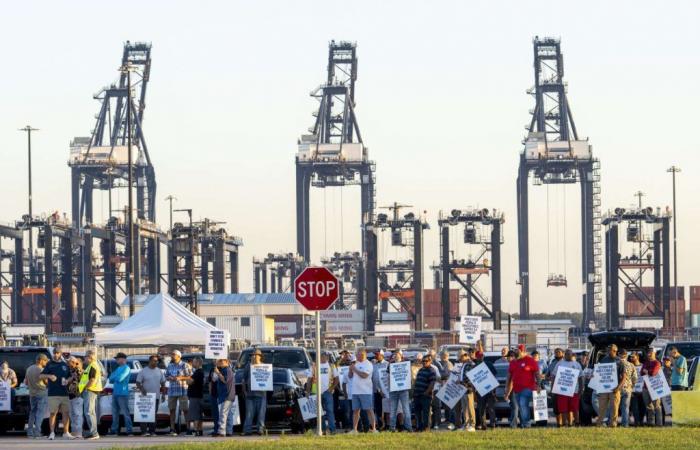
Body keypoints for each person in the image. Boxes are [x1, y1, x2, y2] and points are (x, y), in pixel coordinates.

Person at [504, 344, 540, 428]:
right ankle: (524, 423)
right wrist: (507, 389)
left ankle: (527, 424)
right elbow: (509, 377)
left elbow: (537, 374)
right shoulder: (513, 362)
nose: (516, 352)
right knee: (520, 406)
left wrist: (538, 385)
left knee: (523, 404)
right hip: (516, 389)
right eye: (515, 350)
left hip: (528, 388)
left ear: (523, 351)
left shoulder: (530, 361)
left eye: (517, 350)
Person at [44, 347, 71, 440]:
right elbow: (41, 375)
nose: (55, 354)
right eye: (54, 353)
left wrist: (67, 380)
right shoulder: (49, 364)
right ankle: (52, 433)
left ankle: (66, 432)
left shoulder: (65, 365)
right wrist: (49, 375)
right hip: (53, 393)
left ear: (60, 354)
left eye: (57, 353)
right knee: (53, 413)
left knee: (66, 413)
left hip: (64, 393)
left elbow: (70, 377)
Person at [596, 344, 626, 427]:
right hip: (603, 389)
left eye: (610, 350)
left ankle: (613, 424)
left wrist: (618, 388)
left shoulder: (620, 361)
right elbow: (599, 374)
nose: (608, 351)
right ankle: (599, 424)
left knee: (614, 408)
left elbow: (624, 377)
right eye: (608, 350)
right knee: (601, 407)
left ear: (615, 351)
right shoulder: (603, 360)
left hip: (615, 389)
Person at [308, 352, 338, 435]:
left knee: (330, 411)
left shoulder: (331, 366)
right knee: (319, 412)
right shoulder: (314, 366)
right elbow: (309, 379)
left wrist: (331, 388)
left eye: (325, 357)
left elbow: (336, 379)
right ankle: (322, 429)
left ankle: (332, 429)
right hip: (316, 392)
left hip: (327, 392)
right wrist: (308, 391)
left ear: (327, 357)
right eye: (322, 356)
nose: (324, 358)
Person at [136, 354, 166, 436]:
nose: (156, 362)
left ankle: (152, 431)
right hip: (145, 397)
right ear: (150, 361)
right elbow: (138, 382)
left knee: (153, 415)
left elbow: (163, 383)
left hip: (155, 397)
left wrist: (163, 394)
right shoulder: (143, 371)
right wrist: (142, 389)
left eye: (157, 361)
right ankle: (144, 431)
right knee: (144, 414)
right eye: (154, 361)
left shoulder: (159, 371)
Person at [349, 349, 377, 433]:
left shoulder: (368, 364)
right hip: (355, 391)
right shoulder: (355, 363)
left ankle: (374, 429)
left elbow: (364, 375)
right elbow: (350, 376)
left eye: (360, 355)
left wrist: (355, 369)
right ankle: (354, 429)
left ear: (364, 355)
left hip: (365, 391)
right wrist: (351, 369)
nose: (358, 356)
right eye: (357, 355)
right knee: (356, 411)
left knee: (369, 410)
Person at [165, 350, 192, 436]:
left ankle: (188, 428)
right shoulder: (170, 365)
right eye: (172, 354)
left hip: (182, 390)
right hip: (172, 390)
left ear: (179, 356)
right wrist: (170, 377)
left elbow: (190, 376)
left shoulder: (185, 365)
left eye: (174, 354)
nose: (172, 356)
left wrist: (180, 378)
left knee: (185, 410)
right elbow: (166, 376)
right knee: (172, 410)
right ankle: (172, 429)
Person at [24, 353, 51, 438]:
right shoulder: (41, 370)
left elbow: (26, 382)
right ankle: (37, 433)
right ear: (41, 360)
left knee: (32, 412)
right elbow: (46, 382)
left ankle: (30, 432)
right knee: (40, 414)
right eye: (45, 360)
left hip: (32, 394)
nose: (46, 362)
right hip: (42, 393)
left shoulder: (29, 368)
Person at [554, 349, 582, 427]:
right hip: (562, 391)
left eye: (569, 354)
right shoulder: (560, 363)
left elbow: (581, 377)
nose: (568, 355)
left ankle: (577, 423)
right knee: (563, 409)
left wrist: (581, 389)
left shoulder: (577, 364)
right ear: (564, 355)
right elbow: (554, 376)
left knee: (575, 408)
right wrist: (554, 388)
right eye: (566, 354)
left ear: (572, 355)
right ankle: (564, 423)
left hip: (574, 391)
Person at [242, 350, 268, 436]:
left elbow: (268, 380)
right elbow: (243, 379)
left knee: (261, 414)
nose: (254, 357)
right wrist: (244, 391)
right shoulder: (248, 366)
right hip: (250, 395)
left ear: (260, 356)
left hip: (262, 394)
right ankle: (247, 430)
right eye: (253, 355)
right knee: (249, 414)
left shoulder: (265, 367)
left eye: (256, 355)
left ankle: (260, 430)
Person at [108, 352, 133, 436]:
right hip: (115, 393)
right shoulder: (118, 368)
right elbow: (110, 378)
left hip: (123, 393)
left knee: (125, 413)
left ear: (123, 359)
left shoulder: (127, 368)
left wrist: (115, 377)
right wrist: (115, 377)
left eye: (118, 359)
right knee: (115, 413)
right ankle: (114, 430)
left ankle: (129, 430)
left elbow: (120, 378)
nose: (116, 360)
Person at [387, 352, 412, 432]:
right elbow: (388, 377)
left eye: (398, 355)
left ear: (401, 356)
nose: (396, 357)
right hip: (393, 390)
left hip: (403, 390)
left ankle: (408, 427)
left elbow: (408, 376)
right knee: (393, 409)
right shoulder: (390, 365)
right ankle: (392, 428)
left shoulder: (405, 364)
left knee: (406, 409)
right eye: (395, 355)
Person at [80, 350, 103, 440]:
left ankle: (94, 433)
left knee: (89, 412)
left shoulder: (93, 366)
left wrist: (86, 387)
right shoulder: (91, 366)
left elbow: (92, 379)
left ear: (90, 357)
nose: (84, 358)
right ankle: (92, 432)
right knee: (91, 412)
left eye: (85, 356)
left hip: (90, 390)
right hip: (92, 390)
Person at [413, 355, 436, 432]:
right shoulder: (421, 370)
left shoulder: (431, 370)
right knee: (417, 413)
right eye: (423, 361)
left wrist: (426, 393)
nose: (424, 362)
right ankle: (419, 427)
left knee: (426, 413)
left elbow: (432, 383)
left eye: (426, 361)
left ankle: (426, 428)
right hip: (417, 395)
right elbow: (416, 381)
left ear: (430, 361)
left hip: (425, 395)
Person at [474, 350, 497, 430]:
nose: (481, 357)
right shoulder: (474, 366)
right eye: (479, 356)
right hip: (480, 390)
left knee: (490, 408)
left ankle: (492, 424)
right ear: (476, 357)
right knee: (481, 408)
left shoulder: (489, 364)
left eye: (482, 355)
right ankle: (484, 425)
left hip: (490, 389)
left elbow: (494, 374)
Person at [213, 358, 236, 437]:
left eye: (222, 360)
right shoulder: (225, 370)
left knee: (223, 413)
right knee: (229, 414)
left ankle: (221, 432)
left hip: (227, 395)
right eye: (219, 361)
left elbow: (225, 380)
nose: (220, 362)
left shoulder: (227, 370)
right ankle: (229, 431)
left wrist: (218, 373)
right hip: (228, 395)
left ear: (226, 362)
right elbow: (213, 379)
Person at [641, 348, 662, 426]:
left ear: (654, 353)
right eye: (648, 353)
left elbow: (653, 373)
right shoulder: (646, 363)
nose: (649, 354)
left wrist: (646, 371)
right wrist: (647, 372)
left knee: (657, 406)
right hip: (645, 388)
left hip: (655, 388)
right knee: (649, 406)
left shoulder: (657, 363)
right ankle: (651, 423)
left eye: (651, 353)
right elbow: (641, 373)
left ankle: (659, 423)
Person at [618, 349, 637, 428]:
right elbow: (635, 378)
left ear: (619, 355)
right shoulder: (631, 365)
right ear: (626, 355)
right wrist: (631, 386)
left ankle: (612, 422)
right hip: (627, 389)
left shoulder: (616, 364)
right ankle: (625, 424)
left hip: (617, 388)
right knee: (625, 407)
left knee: (614, 407)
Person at [65, 357, 84, 439]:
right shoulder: (70, 370)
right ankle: (74, 432)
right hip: (69, 395)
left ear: (73, 362)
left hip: (77, 395)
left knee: (77, 414)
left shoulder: (78, 370)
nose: (68, 363)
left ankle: (79, 432)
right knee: (72, 414)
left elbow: (80, 380)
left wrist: (70, 379)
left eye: (69, 362)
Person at [186, 357, 205, 436]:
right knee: (199, 414)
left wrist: (188, 378)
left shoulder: (198, 372)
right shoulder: (200, 372)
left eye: (193, 362)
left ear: (197, 363)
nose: (192, 364)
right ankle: (200, 430)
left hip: (195, 396)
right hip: (198, 395)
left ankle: (195, 430)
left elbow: (189, 382)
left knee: (195, 414)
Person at [547, 348, 564, 427]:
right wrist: (548, 377)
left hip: (564, 389)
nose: (557, 353)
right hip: (555, 388)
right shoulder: (552, 363)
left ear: (562, 353)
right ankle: (559, 424)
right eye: (556, 352)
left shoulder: (566, 362)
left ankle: (566, 423)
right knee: (556, 408)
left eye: (559, 352)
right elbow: (547, 375)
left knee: (564, 407)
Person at [372, 351, 389, 430]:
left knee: (386, 409)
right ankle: (380, 425)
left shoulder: (387, 364)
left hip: (385, 391)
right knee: (378, 409)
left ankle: (387, 425)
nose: (375, 356)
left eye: (377, 354)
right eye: (375, 354)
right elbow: (373, 378)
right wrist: (378, 390)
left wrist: (383, 390)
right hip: (376, 391)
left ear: (382, 355)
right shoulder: (374, 365)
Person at [628, 352, 645, 426]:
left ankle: (641, 421)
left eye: (633, 357)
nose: (631, 358)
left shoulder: (643, 366)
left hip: (642, 390)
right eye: (631, 357)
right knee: (635, 408)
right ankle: (637, 422)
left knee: (642, 407)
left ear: (637, 357)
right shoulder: (629, 366)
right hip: (633, 390)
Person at [505, 350, 519, 428]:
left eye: (509, 357)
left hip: (514, 389)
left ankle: (514, 424)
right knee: (514, 406)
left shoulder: (514, 365)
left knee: (515, 406)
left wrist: (507, 392)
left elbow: (511, 381)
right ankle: (512, 421)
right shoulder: (512, 364)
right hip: (516, 388)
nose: (507, 358)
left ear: (512, 357)